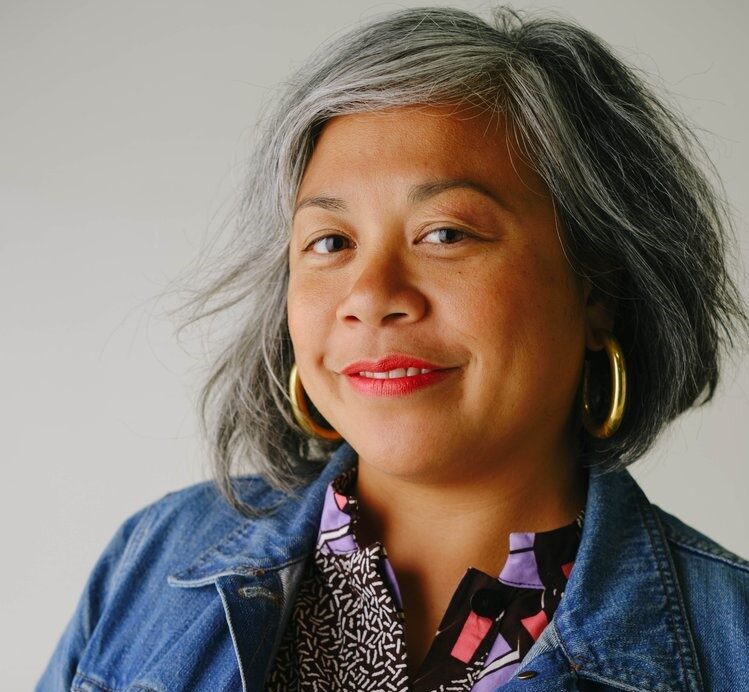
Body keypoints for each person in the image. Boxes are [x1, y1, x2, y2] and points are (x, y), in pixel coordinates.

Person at [37, 5, 749, 692]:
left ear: (596, 288)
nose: (370, 293)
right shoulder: (157, 554)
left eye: (445, 233)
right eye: (330, 242)